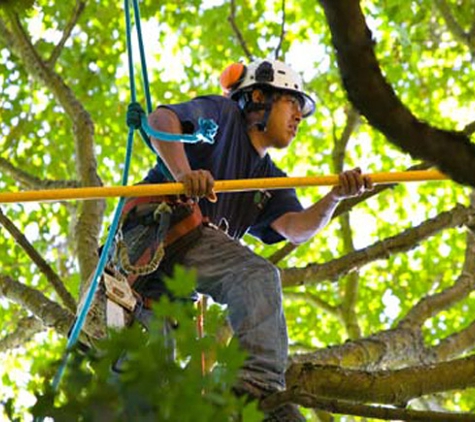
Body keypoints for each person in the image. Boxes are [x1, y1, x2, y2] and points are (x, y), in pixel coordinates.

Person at [128, 59, 372, 421]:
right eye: (292, 103)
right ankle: (254, 387)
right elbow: (160, 121)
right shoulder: (224, 116)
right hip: (158, 233)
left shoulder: (266, 179)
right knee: (255, 276)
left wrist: (334, 197)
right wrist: (185, 174)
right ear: (258, 97)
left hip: (162, 291)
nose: (298, 118)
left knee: (156, 399)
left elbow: (296, 227)